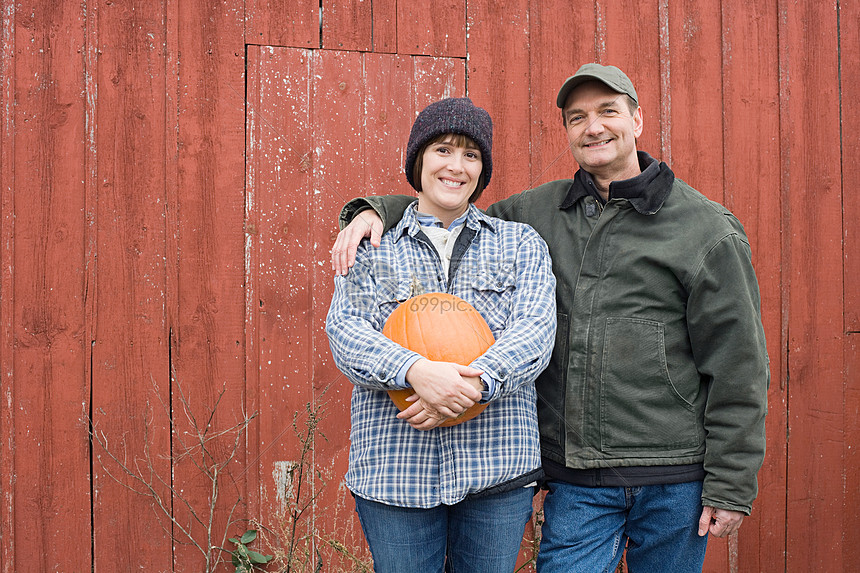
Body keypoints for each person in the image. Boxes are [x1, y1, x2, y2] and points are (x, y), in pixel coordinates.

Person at [330, 64, 769, 573]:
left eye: (608, 111)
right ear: (567, 131)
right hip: (578, 480)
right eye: (577, 117)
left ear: (637, 120)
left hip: (674, 478)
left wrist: (731, 484)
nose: (594, 127)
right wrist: (376, 211)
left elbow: (738, 363)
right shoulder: (538, 212)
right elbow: (448, 206)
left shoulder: (705, 229)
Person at [325, 97, 557, 573]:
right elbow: (345, 331)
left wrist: (472, 385)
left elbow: (535, 329)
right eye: (443, 150)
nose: (456, 166)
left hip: (496, 469)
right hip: (396, 473)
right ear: (418, 161)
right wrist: (415, 371)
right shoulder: (372, 245)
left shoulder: (518, 244)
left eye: (471, 155)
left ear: (483, 170)